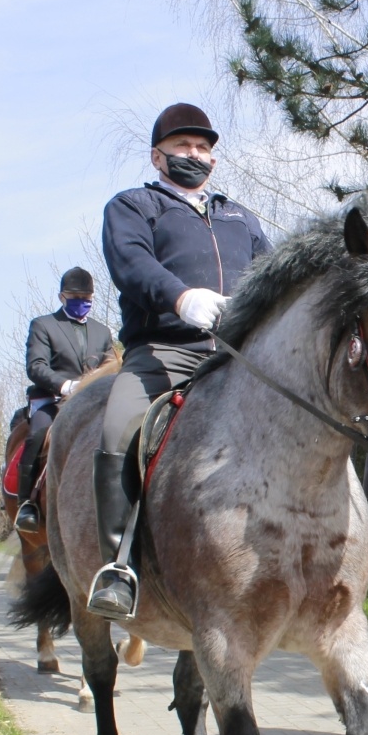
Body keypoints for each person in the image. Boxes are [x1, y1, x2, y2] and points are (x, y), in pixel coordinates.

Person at [88, 102, 272, 619]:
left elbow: (274, 273)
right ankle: (119, 565)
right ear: (157, 156)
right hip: (164, 350)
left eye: (203, 148)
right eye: (183, 147)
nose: (195, 155)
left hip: (237, 354)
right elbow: (131, 263)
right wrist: (181, 298)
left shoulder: (240, 217)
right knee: (119, 428)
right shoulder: (132, 207)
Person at [12, 267, 115, 534]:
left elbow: (111, 364)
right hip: (52, 398)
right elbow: (36, 366)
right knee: (37, 435)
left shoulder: (102, 332)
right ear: (62, 296)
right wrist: (66, 385)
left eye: (87, 297)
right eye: (75, 296)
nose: (83, 302)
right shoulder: (43, 325)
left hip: (92, 401)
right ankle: (27, 504)